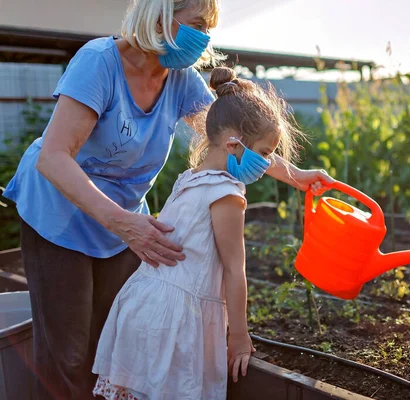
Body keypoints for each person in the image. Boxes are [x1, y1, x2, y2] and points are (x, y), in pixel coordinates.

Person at [2, 0, 331, 398]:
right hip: (59, 213)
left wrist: (295, 175)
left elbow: (237, 137)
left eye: (209, 28)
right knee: (67, 354)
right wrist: (123, 223)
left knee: (115, 340)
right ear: (158, 16)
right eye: (196, 23)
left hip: (124, 222)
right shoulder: (99, 63)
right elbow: (54, 158)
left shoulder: (179, 78)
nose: (204, 38)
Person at [93, 65, 296, 400]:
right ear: (233, 144)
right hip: (176, 322)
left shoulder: (188, 179)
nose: (266, 163)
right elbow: (234, 268)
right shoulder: (227, 193)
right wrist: (239, 336)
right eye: (263, 153)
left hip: (142, 306)